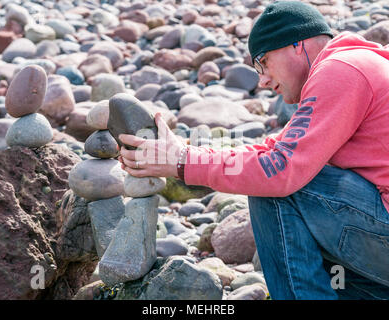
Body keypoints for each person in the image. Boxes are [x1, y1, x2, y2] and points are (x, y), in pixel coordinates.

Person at [117, 0, 389, 299]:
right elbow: (270, 149)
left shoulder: (341, 70)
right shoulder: (354, 65)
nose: (262, 80)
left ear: (297, 44)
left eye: (263, 61)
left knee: (275, 189)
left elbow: (278, 170)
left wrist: (182, 162)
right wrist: (184, 150)